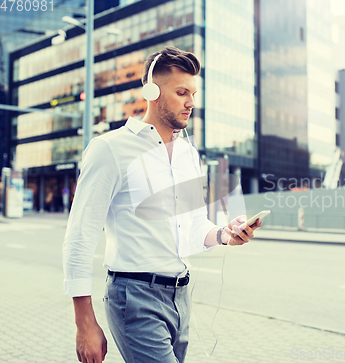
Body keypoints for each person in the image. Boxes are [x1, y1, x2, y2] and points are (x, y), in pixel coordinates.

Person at [62, 46, 262, 363]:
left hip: (181, 297)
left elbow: (194, 228)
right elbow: (80, 235)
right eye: (181, 92)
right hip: (135, 296)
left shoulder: (188, 155)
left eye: (193, 93)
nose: (191, 102)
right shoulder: (109, 149)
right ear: (152, 91)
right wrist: (83, 321)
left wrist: (225, 233)